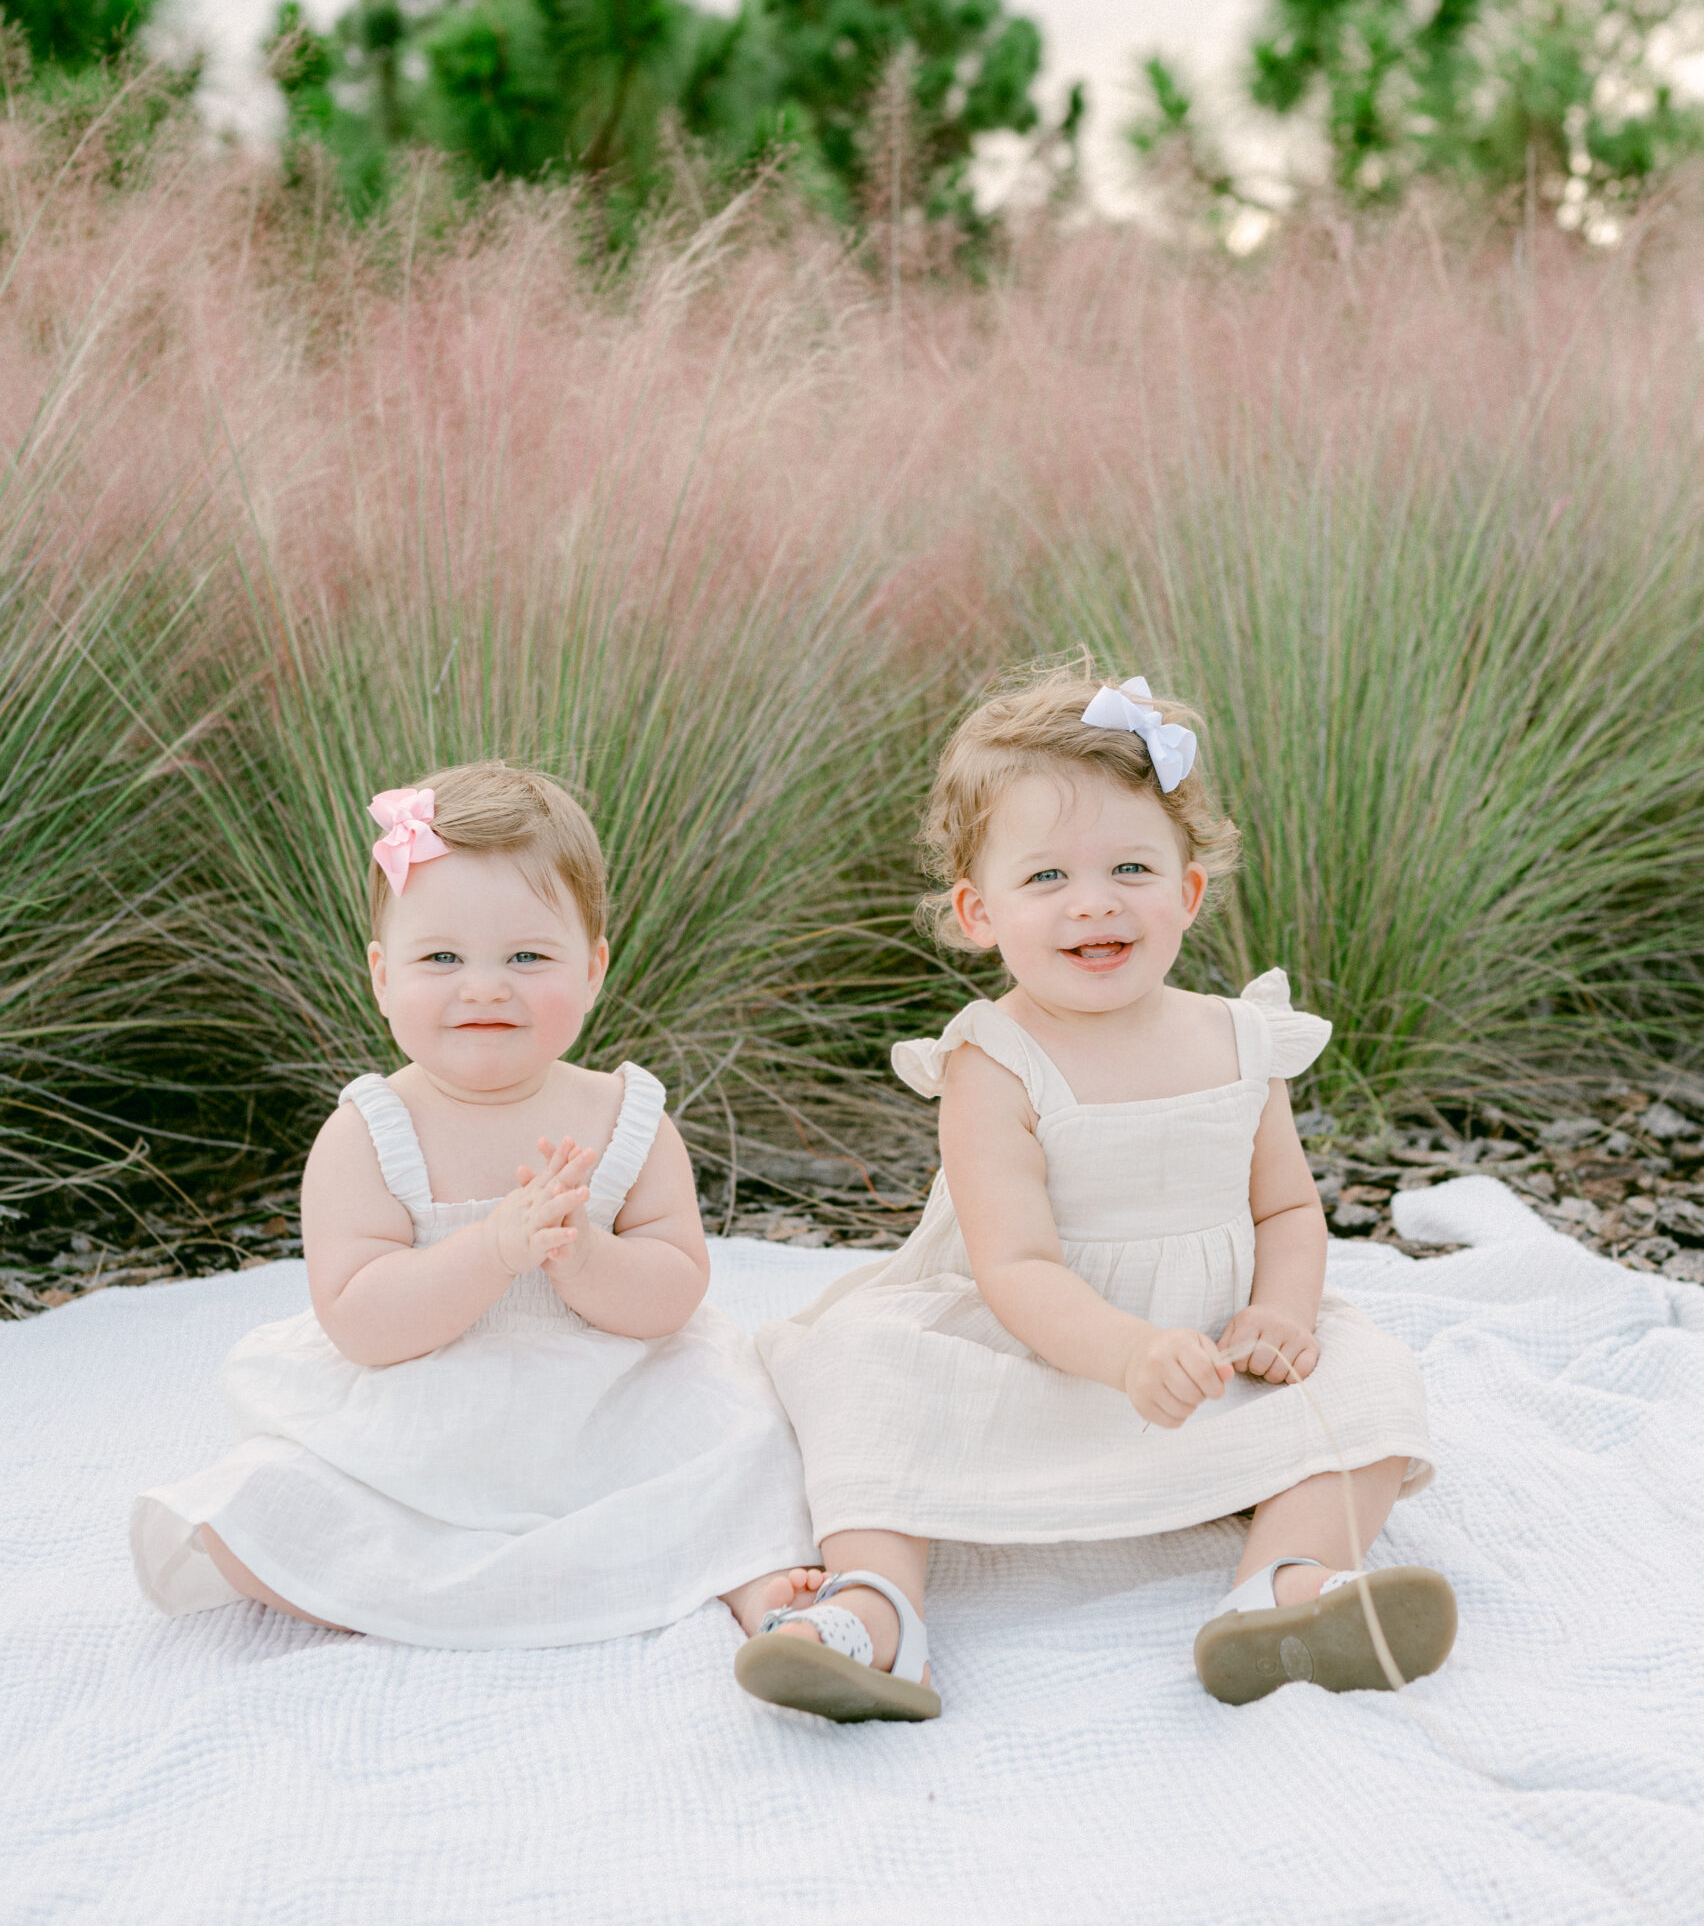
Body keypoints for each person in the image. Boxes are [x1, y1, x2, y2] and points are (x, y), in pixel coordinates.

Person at [739, 668, 1454, 1721]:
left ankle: (1288, 1584)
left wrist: (1281, 1316)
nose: (1095, 901)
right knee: (863, 1369)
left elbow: (1286, 1212)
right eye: (1047, 879)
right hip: (1026, 1349)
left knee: (1372, 1383)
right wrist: (1123, 1352)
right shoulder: (993, 1060)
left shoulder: (1237, 1040)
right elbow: (1016, 1264)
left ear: (1188, 891)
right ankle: (876, 1604)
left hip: (1208, 1355)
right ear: (980, 913)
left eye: (1132, 866)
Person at [132, 760, 821, 1648]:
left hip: (604, 1393)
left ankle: (752, 1575)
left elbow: (674, 1294)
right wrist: (493, 1249)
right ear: (383, 976)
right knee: (272, 1498)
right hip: (431, 1399)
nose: (486, 986)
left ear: (595, 966)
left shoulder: (627, 1117)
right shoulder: (369, 1133)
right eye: (441, 958)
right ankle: (389, 1581)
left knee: (743, 1428)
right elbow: (362, 1322)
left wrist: (586, 1255)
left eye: (528, 957)